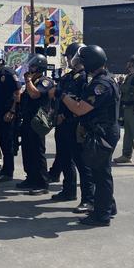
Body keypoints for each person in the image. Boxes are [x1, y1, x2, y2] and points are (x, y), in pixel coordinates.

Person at [62, 45, 119, 226]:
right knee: (101, 173)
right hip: (101, 131)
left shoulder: (101, 85)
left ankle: (101, 216)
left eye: (84, 61)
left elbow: (80, 109)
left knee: (101, 175)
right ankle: (109, 207)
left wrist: (62, 96)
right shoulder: (102, 79)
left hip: (102, 133)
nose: (81, 64)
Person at [49, 43, 93, 208]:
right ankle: (68, 191)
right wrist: (57, 112)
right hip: (62, 125)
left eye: (69, 56)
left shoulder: (85, 78)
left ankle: (88, 199)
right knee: (65, 159)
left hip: (75, 125)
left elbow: (83, 103)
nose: (67, 59)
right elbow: (59, 96)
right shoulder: (67, 77)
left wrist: (67, 116)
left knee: (82, 164)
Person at [17, 53, 54, 195]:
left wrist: (27, 81)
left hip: (38, 121)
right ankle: (31, 178)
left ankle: (42, 182)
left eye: (32, 65)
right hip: (27, 120)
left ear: (39, 67)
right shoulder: (32, 80)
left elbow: (35, 94)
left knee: (38, 152)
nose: (29, 68)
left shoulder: (45, 81)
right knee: (27, 150)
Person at [0, 48, 22, 183]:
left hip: (8, 112)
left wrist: (12, 111)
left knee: (8, 144)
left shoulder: (8, 73)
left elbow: (17, 92)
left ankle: (9, 172)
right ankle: (4, 169)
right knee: (1, 142)